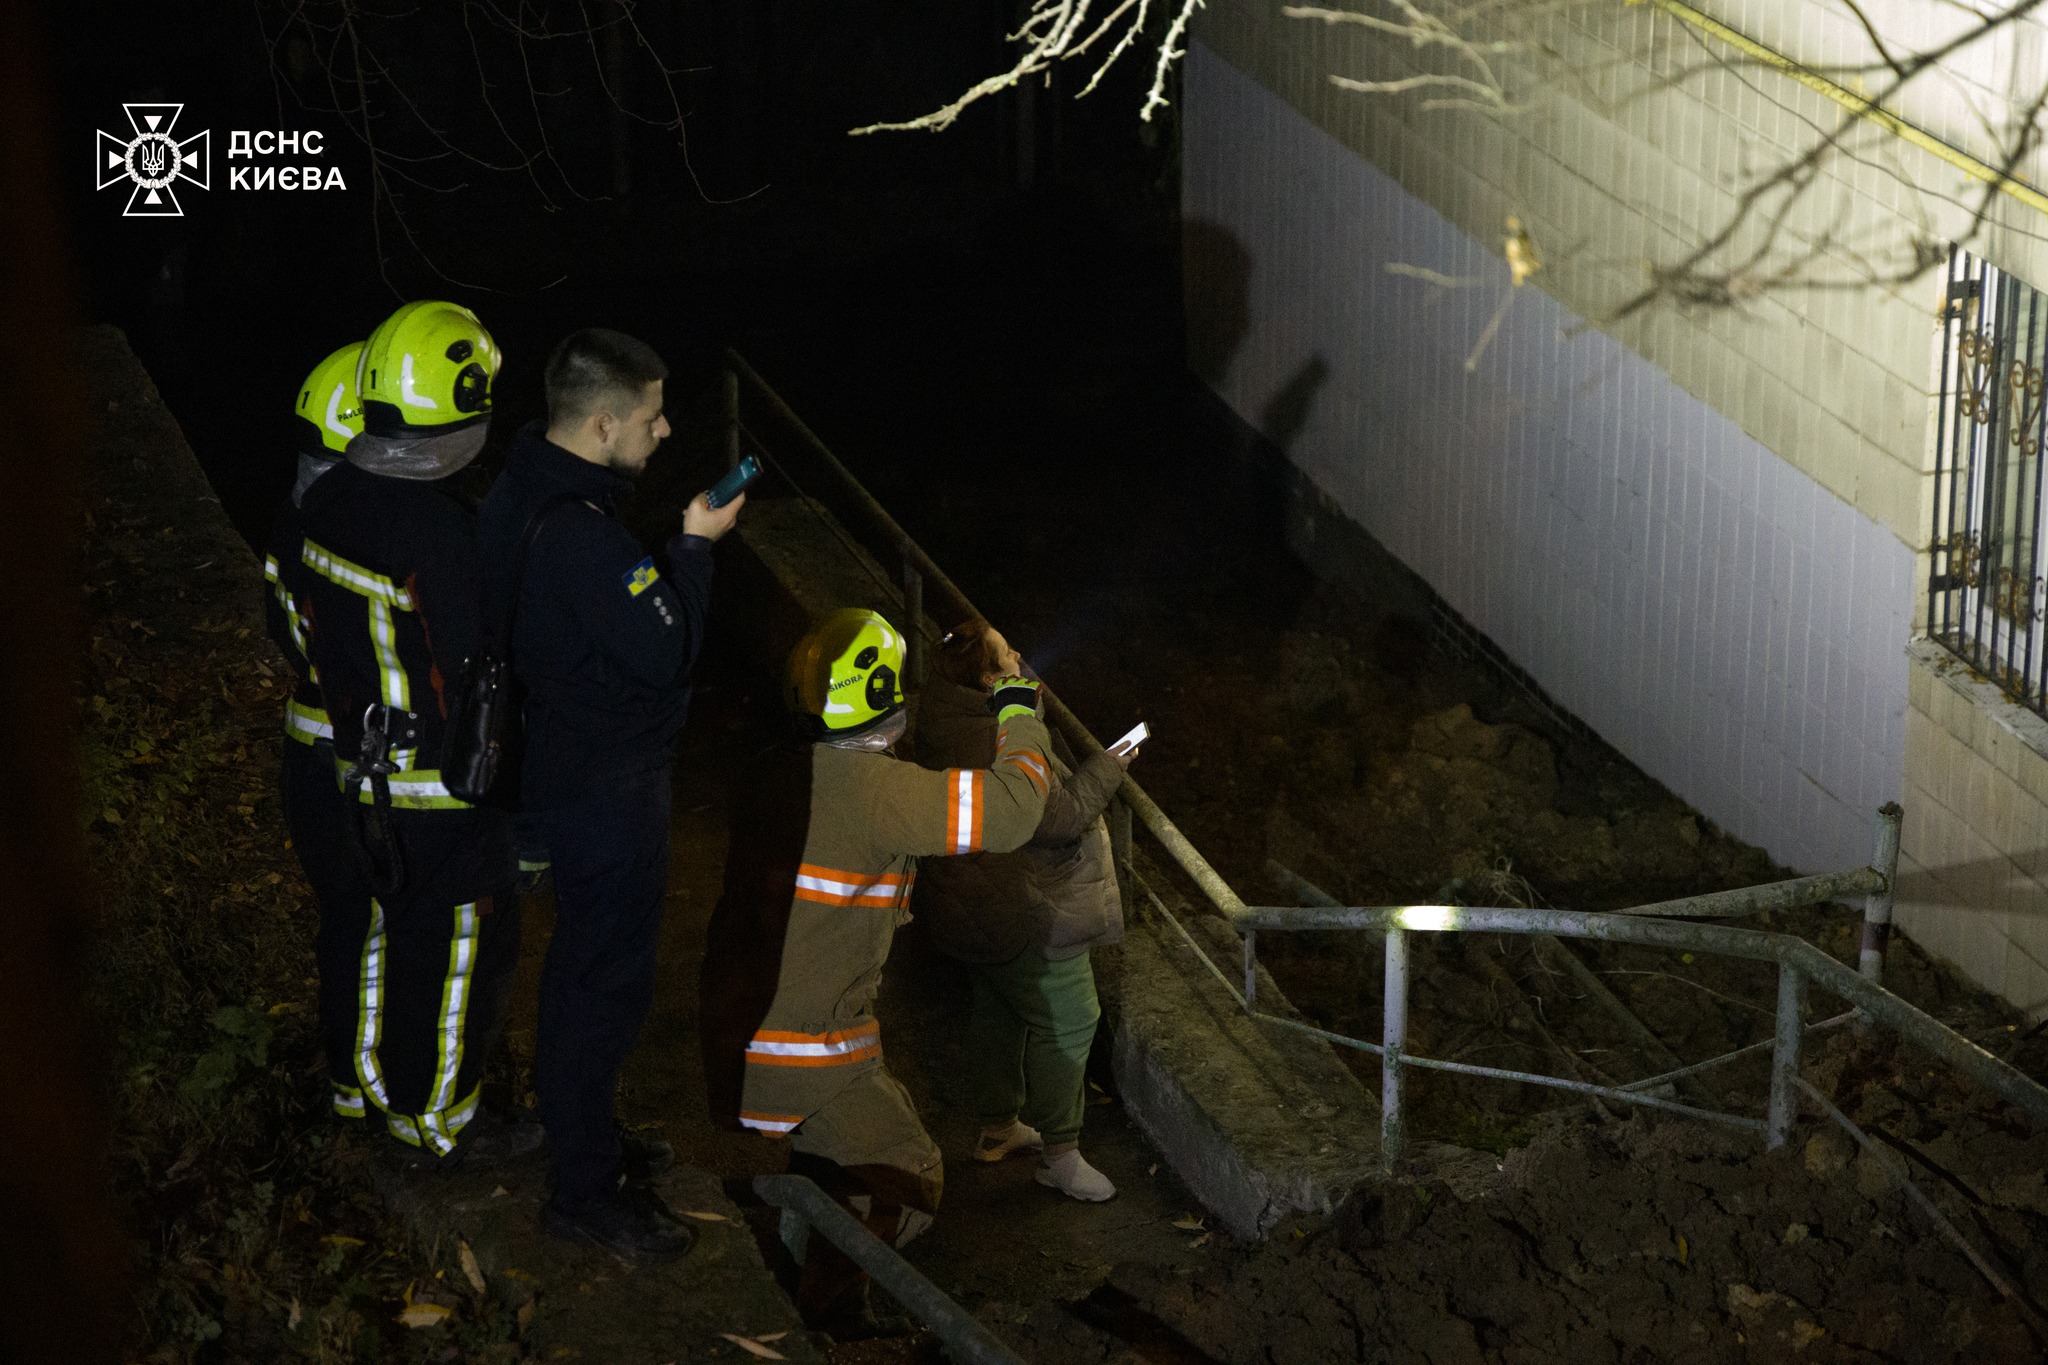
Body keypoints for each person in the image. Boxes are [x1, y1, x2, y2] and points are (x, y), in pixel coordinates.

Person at [699, 608, 1052, 1328]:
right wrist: (1017, 698)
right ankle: (814, 1300)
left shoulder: (780, 771)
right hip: (805, 1057)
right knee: (909, 1172)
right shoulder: (877, 796)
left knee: (854, 1148)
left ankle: (792, 1239)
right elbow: (1015, 806)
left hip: (743, 1034)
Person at [476, 328, 742, 1259]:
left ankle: (584, 1128)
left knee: (582, 974)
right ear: (599, 423)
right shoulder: (588, 541)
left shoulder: (517, 491)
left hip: (549, 775)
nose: (665, 431)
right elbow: (666, 650)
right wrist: (694, 551)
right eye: (650, 416)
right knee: (601, 983)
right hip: (604, 794)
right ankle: (584, 1189)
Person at [295, 300, 533, 1162]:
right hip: (440, 790)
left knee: (373, 937)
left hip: (355, 775)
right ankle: (436, 1120)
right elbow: (475, 675)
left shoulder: (329, 504)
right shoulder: (441, 532)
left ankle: (361, 1089)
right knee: (453, 953)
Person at [912, 620, 1132, 1201]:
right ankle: (1061, 1154)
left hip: (965, 898)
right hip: (1017, 903)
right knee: (1074, 1014)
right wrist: (1112, 763)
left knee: (999, 1007)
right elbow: (1056, 815)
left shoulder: (939, 712)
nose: (1019, 654)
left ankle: (998, 1129)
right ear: (988, 677)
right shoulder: (996, 732)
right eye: (1007, 653)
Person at [263, 341, 378, 1123]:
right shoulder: (364, 532)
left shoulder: (294, 514)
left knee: (346, 918)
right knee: (373, 923)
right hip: (353, 762)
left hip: (307, 751)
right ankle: (366, 1086)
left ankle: (347, 1083)